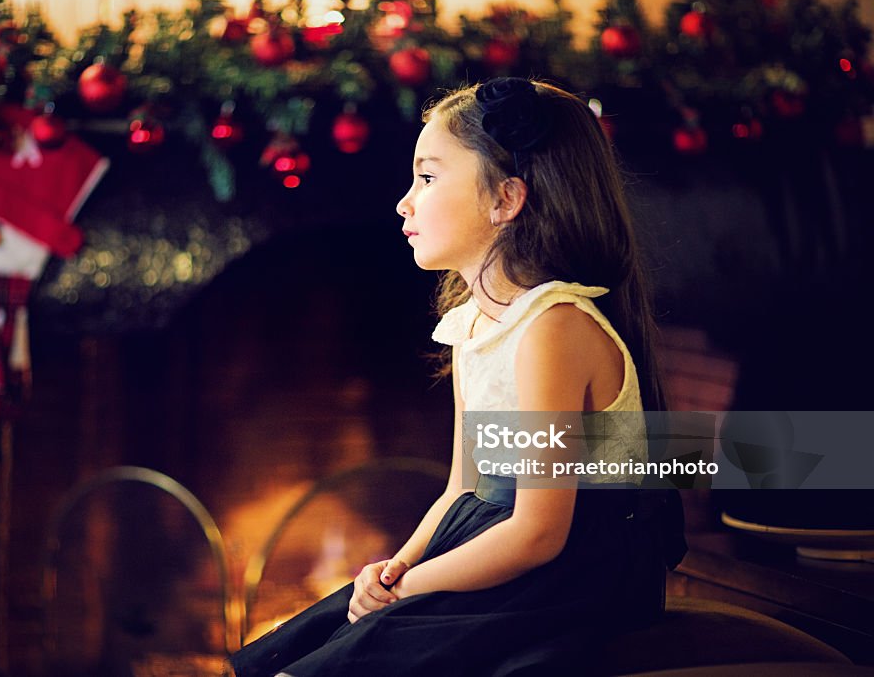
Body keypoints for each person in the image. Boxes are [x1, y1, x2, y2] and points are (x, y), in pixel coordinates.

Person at [227, 77, 686, 677]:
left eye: (428, 176)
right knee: (311, 643)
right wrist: (392, 569)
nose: (404, 202)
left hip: (572, 573)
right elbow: (460, 490)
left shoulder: (554, 327)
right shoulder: (472, 326)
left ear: (505, 200)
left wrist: (413, 586)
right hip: (494, 549)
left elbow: (538, 532)